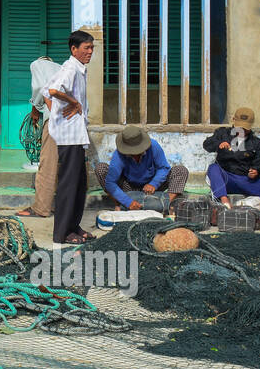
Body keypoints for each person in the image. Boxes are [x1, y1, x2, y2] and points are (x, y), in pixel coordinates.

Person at [47, 31, 95, 244]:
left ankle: (74, 227)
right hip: (69, 138)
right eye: (86, 48)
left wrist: (55, 113)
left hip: (76, 136)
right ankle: (62, 234)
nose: (90, 52)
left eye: (92, 48)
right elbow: (53, 90)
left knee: (79, 184)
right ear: (74, 49)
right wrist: (73, 104)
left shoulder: (78, 69)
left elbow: (45, 93)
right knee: (69, 184)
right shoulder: (70, 68)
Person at [202, 106, 260, 215]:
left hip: (245, 180)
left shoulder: (255, 142)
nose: (241, 130)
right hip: (226, 178)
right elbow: (207, 145)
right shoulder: (222, 133)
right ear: (234, 121)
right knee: (213, 168)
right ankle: (224, 202)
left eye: (245, 128)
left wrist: (256, 171)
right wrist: (218, 144)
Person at [93, 126, 189, 211]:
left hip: (152, 187)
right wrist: (127, 202)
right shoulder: (118, 155)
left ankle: (164, 206)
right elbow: (111, 183)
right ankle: (120, 205)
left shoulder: (153, 146)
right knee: (101, 169)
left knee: (181, 170)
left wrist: (153, 184)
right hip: (128, 186)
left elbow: (163, 168)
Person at [16, 55, 61, 218]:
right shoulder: (62, 69)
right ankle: (60, 206)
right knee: (62, 165)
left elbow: (39, 88)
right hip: (72, 123)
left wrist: (35, 107)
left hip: (55, 121)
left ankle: (41, 208)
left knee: (47, 165)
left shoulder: (36, 65)